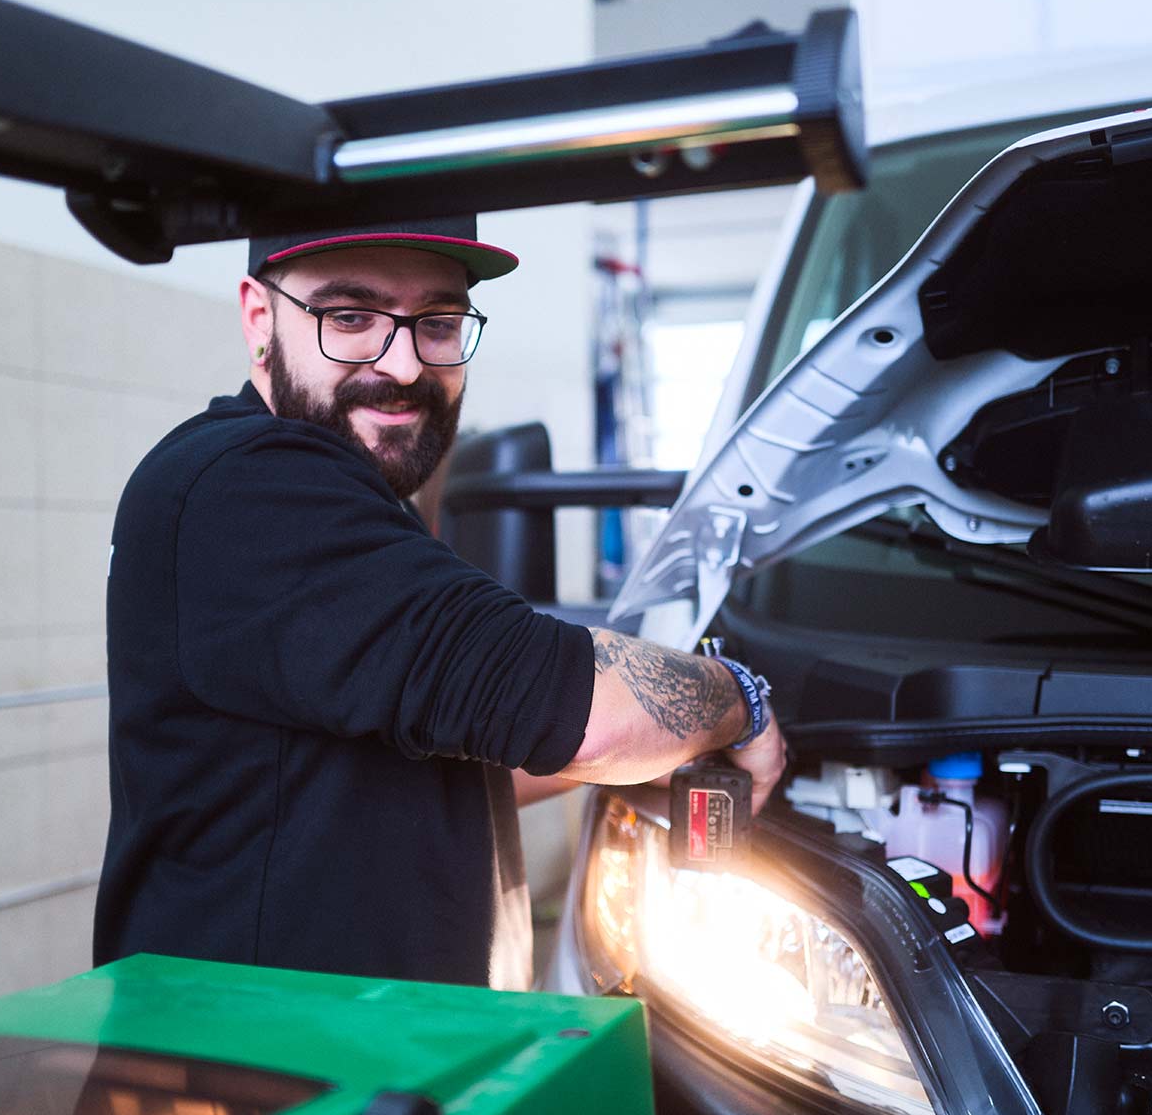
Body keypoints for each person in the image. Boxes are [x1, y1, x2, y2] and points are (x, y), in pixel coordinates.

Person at [94, 217, 785, 989]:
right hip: (263, 1086)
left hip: (371, 1067)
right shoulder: (250, 485)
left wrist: (651, 752)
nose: (402, 364)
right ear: (261, 317)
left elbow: (410, 766)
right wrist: (739, 701)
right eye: (349, 317)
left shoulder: (349, 503)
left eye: (438, 322)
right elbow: (584, 714)